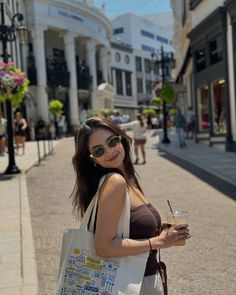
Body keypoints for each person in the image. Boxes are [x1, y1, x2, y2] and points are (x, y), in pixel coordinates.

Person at [72, 116, 190, 295]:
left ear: (120, 138)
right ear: (93, 159)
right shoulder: (115, 182)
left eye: (112, 141)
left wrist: (161, 231)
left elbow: (127, 229)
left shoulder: (126, 178)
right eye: (98, 151)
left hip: (141, 280)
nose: (109, 151)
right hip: (135, 285)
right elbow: (104, 246)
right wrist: (158, 241)